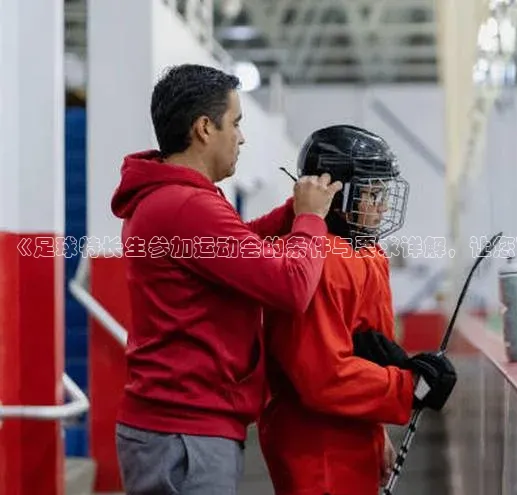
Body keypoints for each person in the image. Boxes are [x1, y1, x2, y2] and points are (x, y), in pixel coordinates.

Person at [109, 63, 342, 495]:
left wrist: (291, 213)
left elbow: (233, 247)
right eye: (235, 123)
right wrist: (310, 220)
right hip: (186, 436)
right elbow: (292, 288)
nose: (242, 136)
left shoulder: (168, 199)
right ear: (204, 128)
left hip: (176, 430)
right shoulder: (186, 206)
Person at [257, 124, 458, 495]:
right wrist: (406, 387)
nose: (383, 206)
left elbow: (367, 351)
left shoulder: (369, 254)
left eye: (384, 192)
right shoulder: (318, 260)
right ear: (337, 195)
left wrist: (377, 427)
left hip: (353, 436)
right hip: (317, 448)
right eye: (373, 193)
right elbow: (322, 377)